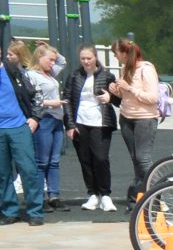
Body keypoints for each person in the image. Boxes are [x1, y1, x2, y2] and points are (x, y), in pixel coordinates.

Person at [105, 38, 162, 206]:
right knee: (135, 158)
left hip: (144, 118)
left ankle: (159, 192)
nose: (116, 58)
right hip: (126, 117)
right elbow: (128, 97)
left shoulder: (146, 69)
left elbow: (152, 98)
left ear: (124, 53)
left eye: (116, 54)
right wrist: (117, 91)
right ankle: (138, 196)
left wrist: (129, 88)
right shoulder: (126, 69)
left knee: (143, 158)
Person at [62, 44, 117, 211]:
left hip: (101, 122)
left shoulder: (107, 76)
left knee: (101, 158)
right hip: (80, 122)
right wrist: (70, 124)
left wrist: (110, 97)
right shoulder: (74, 76)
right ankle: (92, 194)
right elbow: (67, 101)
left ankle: (105, 195)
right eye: (83, 59)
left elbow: (118, 99)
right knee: (85, 160)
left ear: (95, 58)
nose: (86, 61)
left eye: (89, 58)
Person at [0, 46, 44, 225]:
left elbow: (37, 93)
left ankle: (35, 211)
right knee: (2, 174)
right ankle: (10, 210)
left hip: (19, 126)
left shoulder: (14, 71)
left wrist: (35, 118)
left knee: (28, 169)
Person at [25, 45, 66, 210]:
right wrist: (51, 103)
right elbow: (29, 99)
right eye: (50, 59)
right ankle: (39, 197)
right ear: (39, 58)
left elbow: (63, 61)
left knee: (54, 160)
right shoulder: (31, 75)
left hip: (56, 119)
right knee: (42, 161)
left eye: (53, 60)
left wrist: (50, 49)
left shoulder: (50, 74)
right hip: (44, 118)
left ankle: (54, 195)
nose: (53, 63)